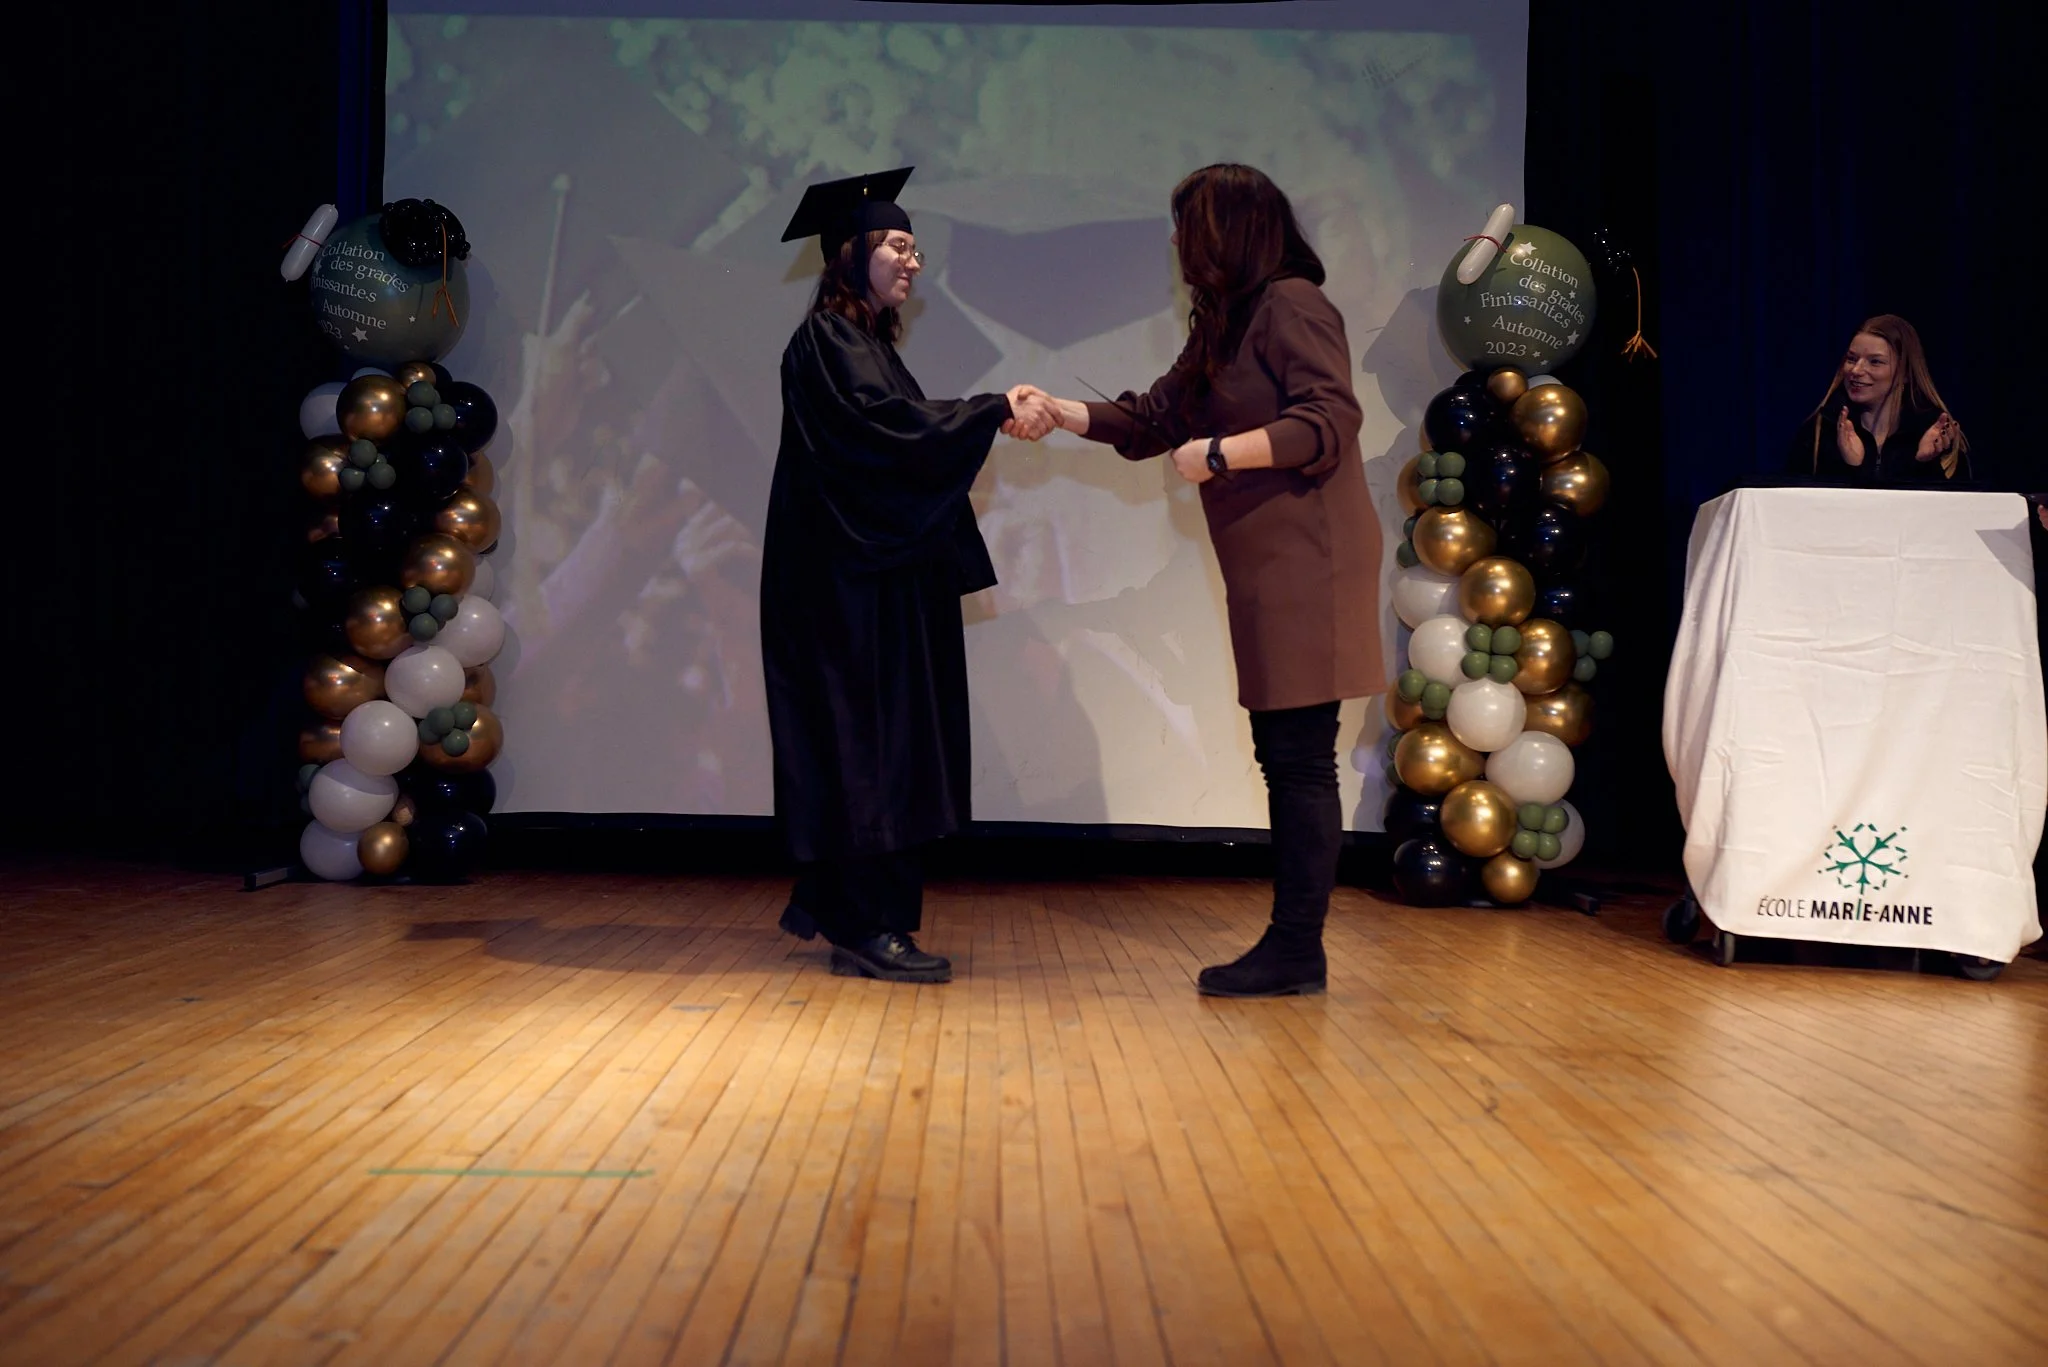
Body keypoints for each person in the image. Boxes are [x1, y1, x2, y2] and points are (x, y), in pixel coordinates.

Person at [1026, 163, 1384, 997]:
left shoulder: (1294, 303)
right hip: (1267, 556)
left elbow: (1330, 419)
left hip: (1310, 554)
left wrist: (1222, 453)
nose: (1178, 245)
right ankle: (1296, 944)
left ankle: (1297, 947)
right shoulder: (1230, 320)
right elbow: (1156, 418)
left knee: (1298, 757)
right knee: (1284, 750)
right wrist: (1062, 411)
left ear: (1230, 230)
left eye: (1188, 226)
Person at [763, 167, 1056, 984]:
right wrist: (992, 407)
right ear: (850, 253)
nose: (913, 261)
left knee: (886, 743)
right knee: (865, 744)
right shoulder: (827, 340)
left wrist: (986, 410)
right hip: (842, 594)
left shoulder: (864, 345)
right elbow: (884, 433)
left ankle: (871, 916)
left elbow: (902, 438)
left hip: (871, 584)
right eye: (897, 245)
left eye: (916, 248)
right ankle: (865, 924)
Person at [1786, 314, 1968, 484]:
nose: (1856, 370)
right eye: (1851, 359)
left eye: (1875, 362)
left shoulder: (1939, 437)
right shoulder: (1819, 432)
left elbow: (1954, 513)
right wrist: (1851, 468)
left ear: (1905, 373)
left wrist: (1924, 464)